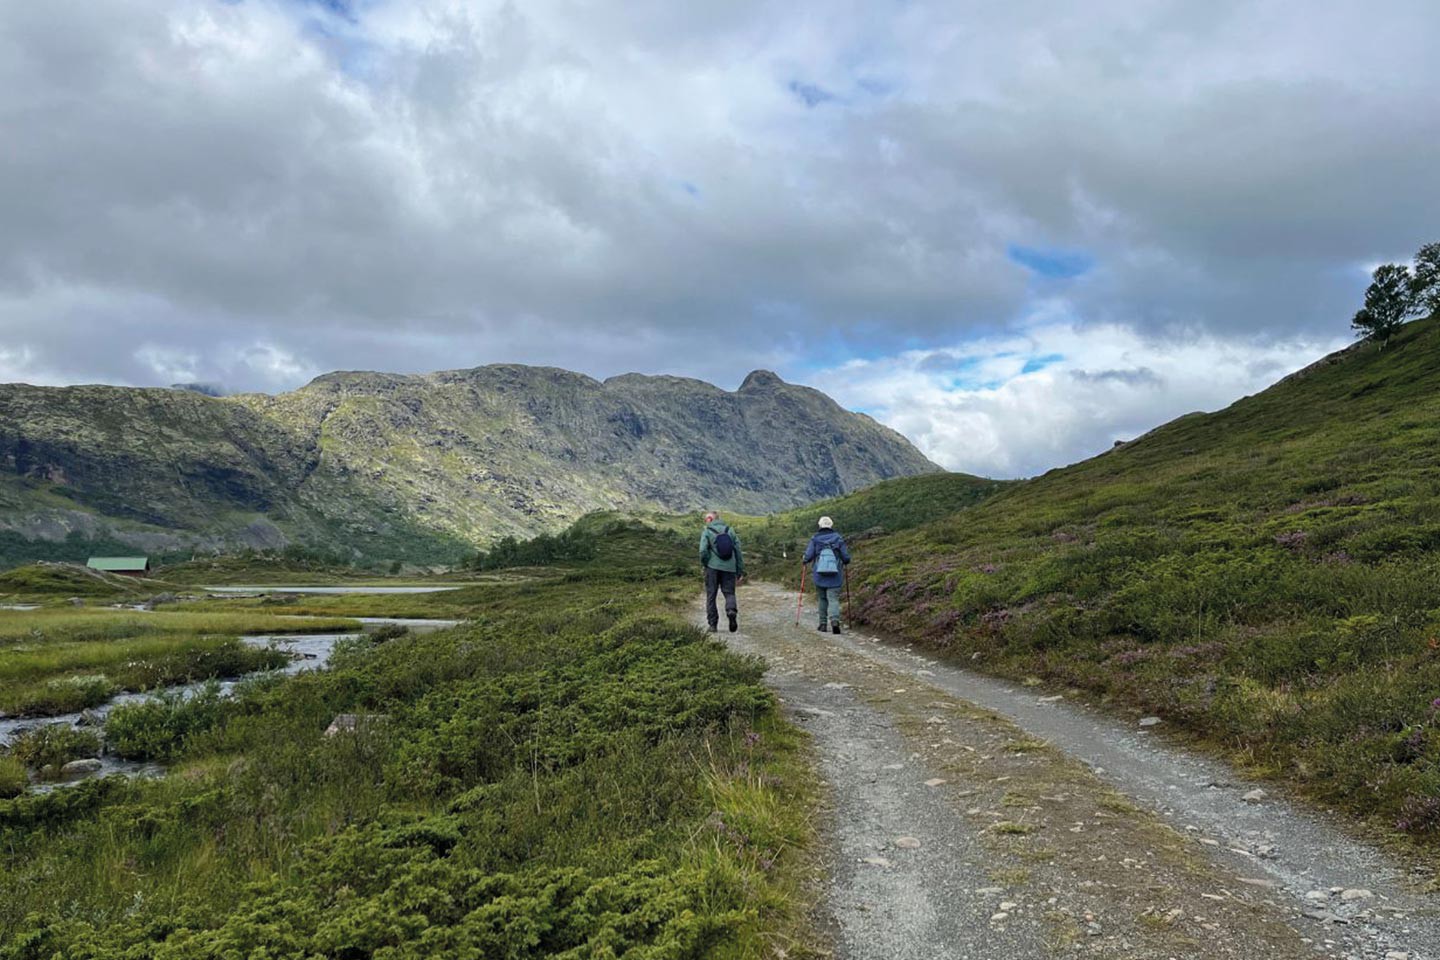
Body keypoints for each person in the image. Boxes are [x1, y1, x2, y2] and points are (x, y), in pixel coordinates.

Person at [803, 516, 851, 633]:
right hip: (835, 574)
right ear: (831, 525)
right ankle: (835, 622)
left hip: (819, 574)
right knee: (833, 598)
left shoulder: (815, 539)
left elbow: (808, 556)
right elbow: (846, 557)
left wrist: (804, 560)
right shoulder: (838, 538)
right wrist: (845, 561)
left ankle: (823, 624)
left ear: (819, 525)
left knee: (822, 598)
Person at [699, 511, 745, 633]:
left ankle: (713, 625)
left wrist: (705, 564)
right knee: (729, 593)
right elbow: (738, 551)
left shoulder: (707, 531)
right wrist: (739, 570)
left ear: (709, 519)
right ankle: (731, 611)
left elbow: (703, 551)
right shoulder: (730, 530)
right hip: (729, 568)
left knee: (711, 596)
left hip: (712, 568)